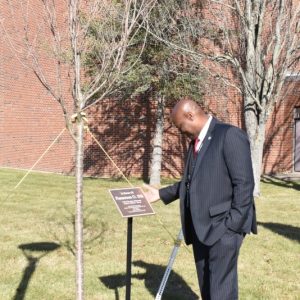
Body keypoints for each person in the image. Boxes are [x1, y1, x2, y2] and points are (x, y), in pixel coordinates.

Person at [144, 99, 257, 300]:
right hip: (201, 228)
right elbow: (192, 181)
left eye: (180, 126)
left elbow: (245, 185)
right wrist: (160, 194)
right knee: (207, 288)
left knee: (221, 292)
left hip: (224, 229)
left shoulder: (229, 135)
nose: (181, 131)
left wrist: (231, 226)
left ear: (190, 115)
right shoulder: (195, 143)